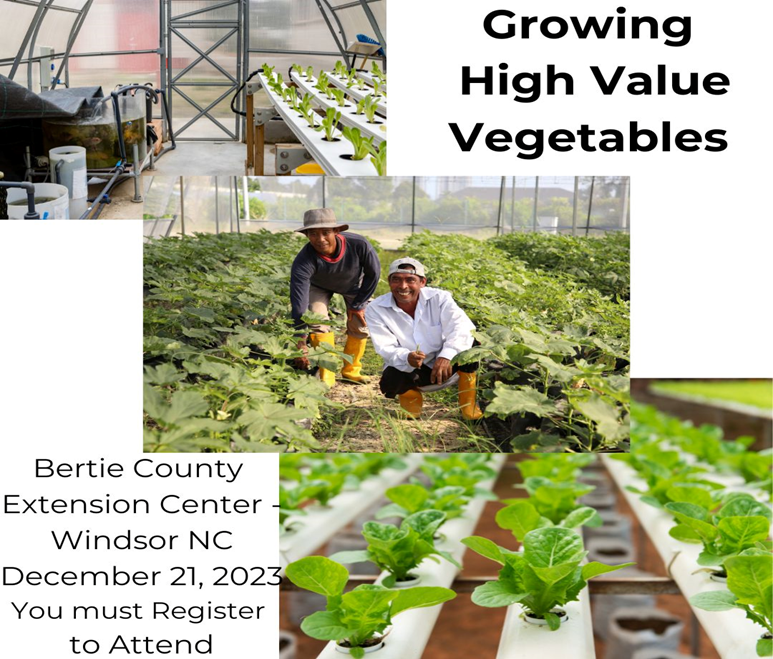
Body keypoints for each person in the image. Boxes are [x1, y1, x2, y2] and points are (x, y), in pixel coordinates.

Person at [365, 257, 483, 420]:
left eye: (410, 280)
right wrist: (407, 357)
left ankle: (468, 407)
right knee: (391, 379)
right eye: (396, 280)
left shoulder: (440, 299)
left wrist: (446, 355)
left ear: (422, 282)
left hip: (449, 365)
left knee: (472, 345)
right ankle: (411, 404)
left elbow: (462, 327)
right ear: (389, 282)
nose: (403, 286)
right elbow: (385, 346)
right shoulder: (376, 309)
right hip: (415, 369)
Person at [290, 208, 380, 386]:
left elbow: (373, 274)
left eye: (326, 232)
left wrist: (359, 304)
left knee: (361, 322)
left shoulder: (358, 244)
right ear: (307, 235)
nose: (320, 239)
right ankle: (327, 373)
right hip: (319, 286)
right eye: (314, 233)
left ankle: (351, 370)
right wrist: (300, 338)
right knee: (317, 322)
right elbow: (299, 300)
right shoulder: (304, 260)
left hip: (354, 284)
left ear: (336, 231)